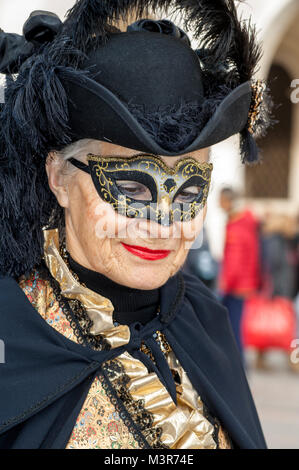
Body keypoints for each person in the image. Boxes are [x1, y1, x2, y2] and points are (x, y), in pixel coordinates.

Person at [0, 1, 271, 449]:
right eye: (132, 186)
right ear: (59, 178)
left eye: (187, 192)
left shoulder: (204, 319)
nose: (163, 224)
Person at [219, 188, 261, 355]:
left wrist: (224, 285)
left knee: (233, 331)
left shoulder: (236, 226)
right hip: (244, 284)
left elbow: (234, 262)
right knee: (235, 329)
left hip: (235, 286)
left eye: (221, 200)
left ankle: (237, 367)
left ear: (228, 201)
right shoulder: (246, 223)